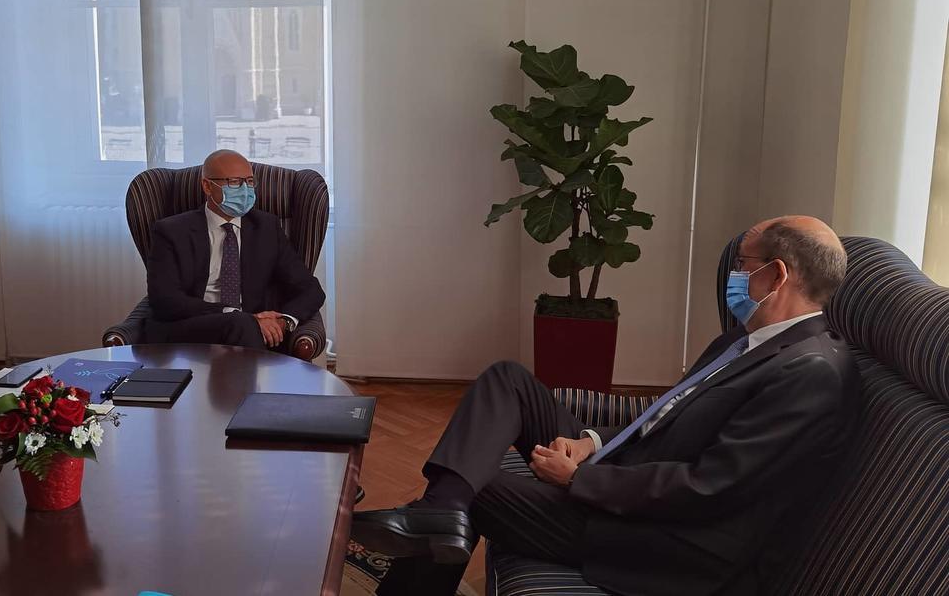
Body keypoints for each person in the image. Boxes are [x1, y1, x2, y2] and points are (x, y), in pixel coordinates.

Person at [353, 216, 861, 595]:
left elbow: (711, 489)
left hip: (668, 539)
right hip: (634, 475)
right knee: (508, 380)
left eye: (741, 265)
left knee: (479, 488)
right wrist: (591, 442)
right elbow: (671, 412)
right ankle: (441, 512)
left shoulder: (810, 373)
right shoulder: (750, 341)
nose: (734, 275)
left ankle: (440, 517)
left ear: (775, 275)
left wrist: (580, 479)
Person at [144, 149, 325, 352]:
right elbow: (164, 299)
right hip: (187, 327)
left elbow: (310, 289)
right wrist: (232, 313)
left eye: (249, 182)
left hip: (249, 332)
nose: (245, 190)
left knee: (243, 325)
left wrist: (283, 321)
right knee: (241, 323)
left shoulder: (267, 228)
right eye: (234, 182)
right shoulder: (171, 231)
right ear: (207, 186)